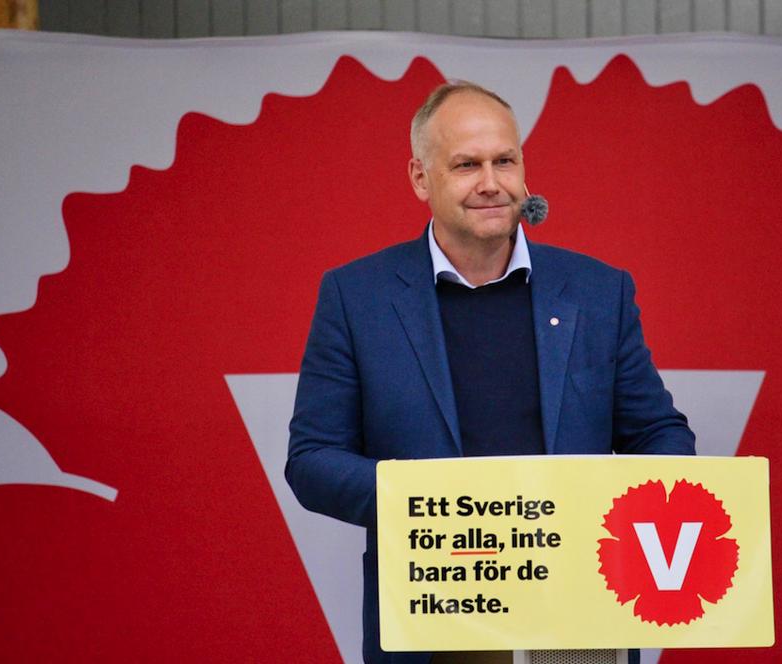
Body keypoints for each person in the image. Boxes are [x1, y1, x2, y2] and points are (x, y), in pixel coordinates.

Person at [286, 81, 694, 664]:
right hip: (435, 624)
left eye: (505, 161)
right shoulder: (357, 296)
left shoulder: (599, 290)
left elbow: (661, 434)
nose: (491, 183)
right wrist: (443, 506)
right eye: (465, 164)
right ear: (420, 178)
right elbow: (312, 460)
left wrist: (625, 510)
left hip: (579, 621)